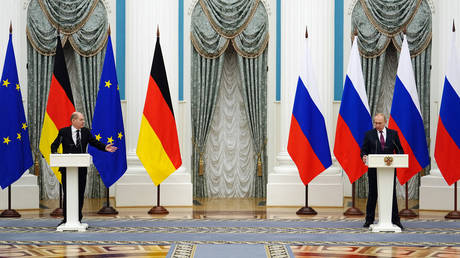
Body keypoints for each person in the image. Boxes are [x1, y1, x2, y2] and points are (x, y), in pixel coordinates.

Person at [51, 112, 117, 225]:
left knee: (80, 193)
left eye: (83, 120)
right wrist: (55, 153)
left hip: (81, 169)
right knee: (67, 193)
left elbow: (94, 142)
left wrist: (105, 147)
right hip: (67, 169)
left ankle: (78, 217)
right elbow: (54, 145)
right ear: (73, 121)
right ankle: (67, 218)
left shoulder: (86, 132)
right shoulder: (63, 132)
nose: (83, 122)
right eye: (81, 119)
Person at [360, 113, 404, 230]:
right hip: (374, 169)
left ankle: (395, 220)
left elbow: (400, 149)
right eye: (375, 123)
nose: (377, 125)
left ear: (385, 122)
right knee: (373, 193)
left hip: (389, 170)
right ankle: (369, 220)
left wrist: (399, 157)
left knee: (391, 195)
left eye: (379, 123)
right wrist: (364, 156)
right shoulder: (369, 134)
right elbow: (364, 150)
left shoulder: (393, 134)